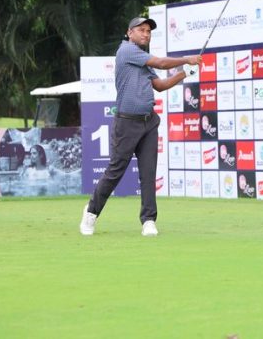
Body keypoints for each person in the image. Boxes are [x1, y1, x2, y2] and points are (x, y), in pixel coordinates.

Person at [80, 16, 202, 237]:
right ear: (130, 33)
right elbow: (161, 63)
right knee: (115, 171)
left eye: (149, 31)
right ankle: (91, 211)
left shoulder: (143, 60)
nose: (146, 34)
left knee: (148, 172)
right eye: (142, 30)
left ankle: (148, 220)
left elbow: (160, 85)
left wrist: (184, 73)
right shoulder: (127, 51)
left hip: (148, 122)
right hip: (126, 122)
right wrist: (187, 59)